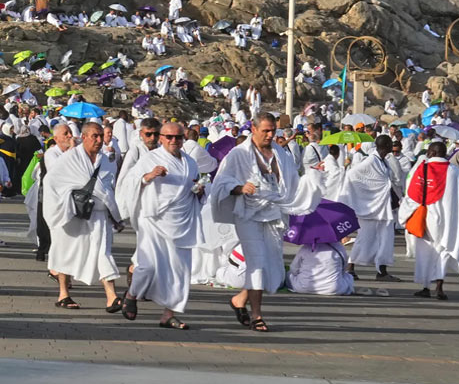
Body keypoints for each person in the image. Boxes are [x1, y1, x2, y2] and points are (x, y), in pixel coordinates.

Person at [211, 112, 319, 332]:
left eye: (273, 130)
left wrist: (314, 178)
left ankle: (240, 300)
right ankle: (257, 315)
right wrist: (239, 188)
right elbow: (221, 181)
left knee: (271, 266)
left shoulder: (280, 153)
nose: (270, 135)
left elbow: (292, 183)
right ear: (254, 129)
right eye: (266, 131)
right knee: (257, 263)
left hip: (272, 213)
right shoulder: (238, 154)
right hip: (248, 214)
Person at [117, 122, 202, 328]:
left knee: (180, 270)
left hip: (181, 221)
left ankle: (168, 314)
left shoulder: (190, 162)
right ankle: (131, 295)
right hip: (153, 219)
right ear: (162, 138)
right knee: (147, 265)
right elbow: (130, 182)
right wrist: (149, 176)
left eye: (179, 137)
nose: (174, 141)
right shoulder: (150, 159)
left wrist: (199, 190)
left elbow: (194, 184)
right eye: (169, 137)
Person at [44, 121, 123, 310]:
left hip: (98, 215)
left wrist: (114, 213)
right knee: (65, 251)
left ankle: (111, 297)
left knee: (103, 252)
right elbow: (52, 182)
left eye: (100, 136)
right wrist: (66, 204)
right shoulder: (69, 159)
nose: (98, 140)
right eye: (94, 136)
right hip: (72, 214)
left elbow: (108, 188)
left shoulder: (105, 160)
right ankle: (64, 293)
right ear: (85, 137)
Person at [399, 141, 459, 300]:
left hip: (426, 218)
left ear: (431, 153)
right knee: (443, 250)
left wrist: (404, 214)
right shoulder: (453, 171)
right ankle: (439, 286)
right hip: (447, 219)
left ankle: (425, 286)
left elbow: (413, 195)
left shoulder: (422, 168)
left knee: (425, 251)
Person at [341, 134, 401, 280]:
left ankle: (382, 271)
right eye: (389, 145)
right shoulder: (370, 161)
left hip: (382, 208)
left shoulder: (382, 161)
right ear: (385, 146)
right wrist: (365, 197)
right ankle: (350, 267)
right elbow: (352, 175)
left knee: (385, 239)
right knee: (364, 238)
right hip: (370, 208)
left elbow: (385, 181)